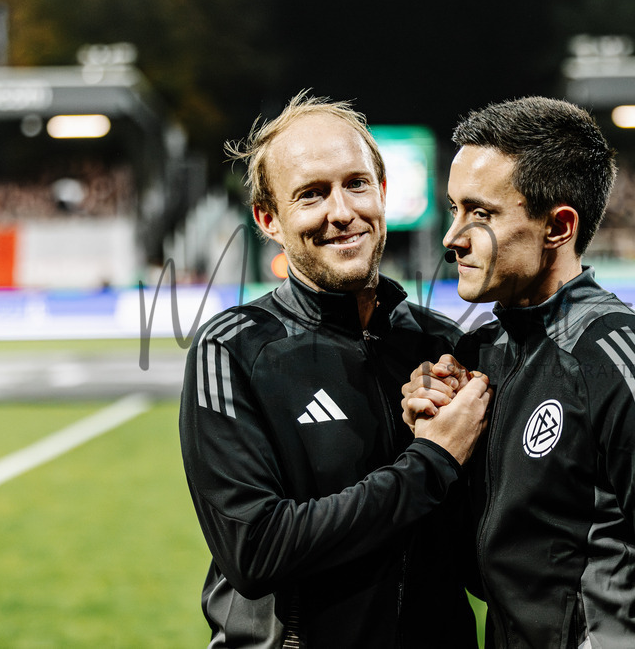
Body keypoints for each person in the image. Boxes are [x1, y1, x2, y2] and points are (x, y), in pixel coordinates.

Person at [402, 97, 635, 647]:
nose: (451, 237)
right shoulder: (478, 357)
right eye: (454, 208)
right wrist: (436, 453)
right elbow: (493, 573)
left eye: (481, 214)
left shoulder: (628, 361)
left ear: (558, 227)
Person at [178, 91, 490, 648]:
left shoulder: (444, 346)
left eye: (356, 184)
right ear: (268, 219)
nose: (341, 212)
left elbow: (479, 560)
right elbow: (257, 550)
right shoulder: (231, 349)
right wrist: (433, 461)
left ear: (384, 192)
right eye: (311, 195)